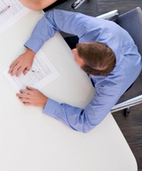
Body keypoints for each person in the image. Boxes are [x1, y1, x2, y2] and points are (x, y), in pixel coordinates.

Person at [8, 9, 141, 133]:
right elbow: (52, 18)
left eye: (78, 55)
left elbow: (85, 123)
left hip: (126, 71)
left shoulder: (111, 87)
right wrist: (30, 51)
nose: (73, 50)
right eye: (80, 47)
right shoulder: (97, 30)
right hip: (116, 41)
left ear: (91, 74)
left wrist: (45, 101)